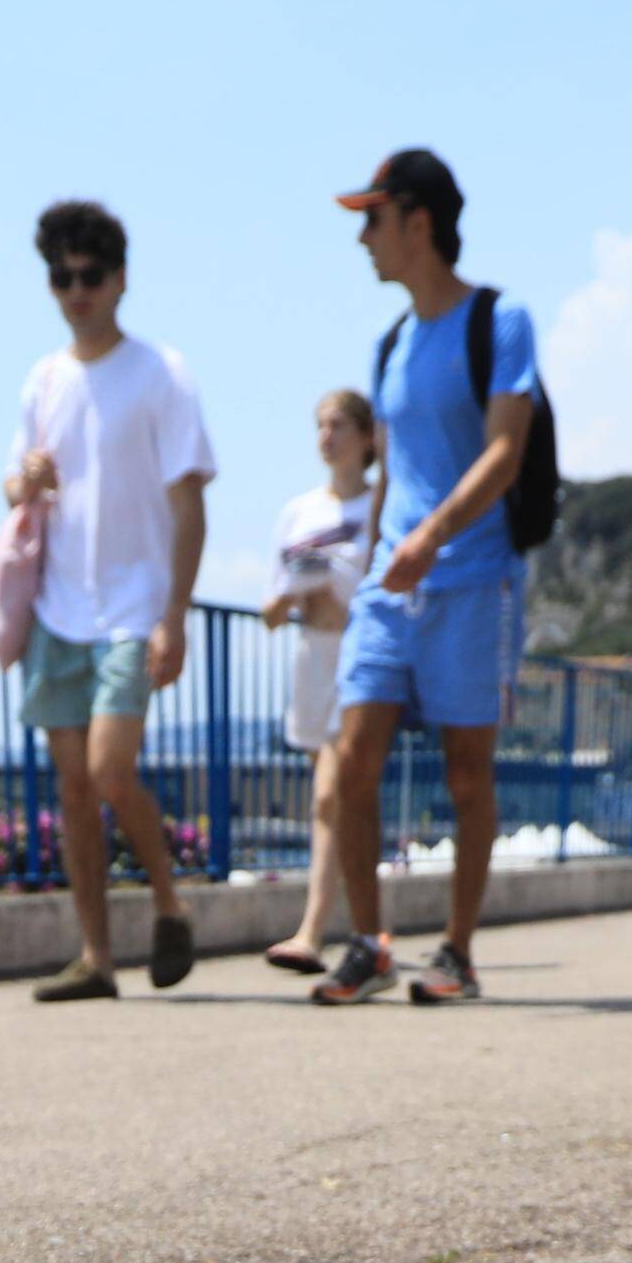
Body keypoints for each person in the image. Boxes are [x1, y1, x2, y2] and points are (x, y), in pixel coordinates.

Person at [311, 146, 538, 1007]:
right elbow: (396, 469)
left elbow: (506, 454)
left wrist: (434, 538)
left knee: (467, 772)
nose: (364, 238)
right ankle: (368, 944)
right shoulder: (391, 343)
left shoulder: (500, 320)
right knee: (351, 757)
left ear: (418, 222)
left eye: (373, 218)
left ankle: (458, 951)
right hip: (390, 584)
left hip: (474, 577)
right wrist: (377, 561)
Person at [2, 197, 215, 1002]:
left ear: (120, 279)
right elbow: (12, 480)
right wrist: (22, 480)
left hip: (133, 607)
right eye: (61, 276)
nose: (76, 290)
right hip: (58, 607)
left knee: (108, 770)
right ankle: (96, 956)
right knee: (71, 792)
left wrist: (175, 616)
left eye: (90, 275)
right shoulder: (43, 379)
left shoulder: (161, 373)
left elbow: (190, 502)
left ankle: (169, 903)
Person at [258, 388, 380, 979]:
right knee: (339, 798)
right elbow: (270, 609)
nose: (327, 436)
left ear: (366, 437)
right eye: (320, 425)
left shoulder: (381, 505)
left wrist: (339, 582)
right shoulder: (298, 512)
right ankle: (366, 928)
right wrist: (292, 592)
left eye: (338, 424)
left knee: (331, 794)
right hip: (312, 656)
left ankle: (312, 932)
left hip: (361, 657)